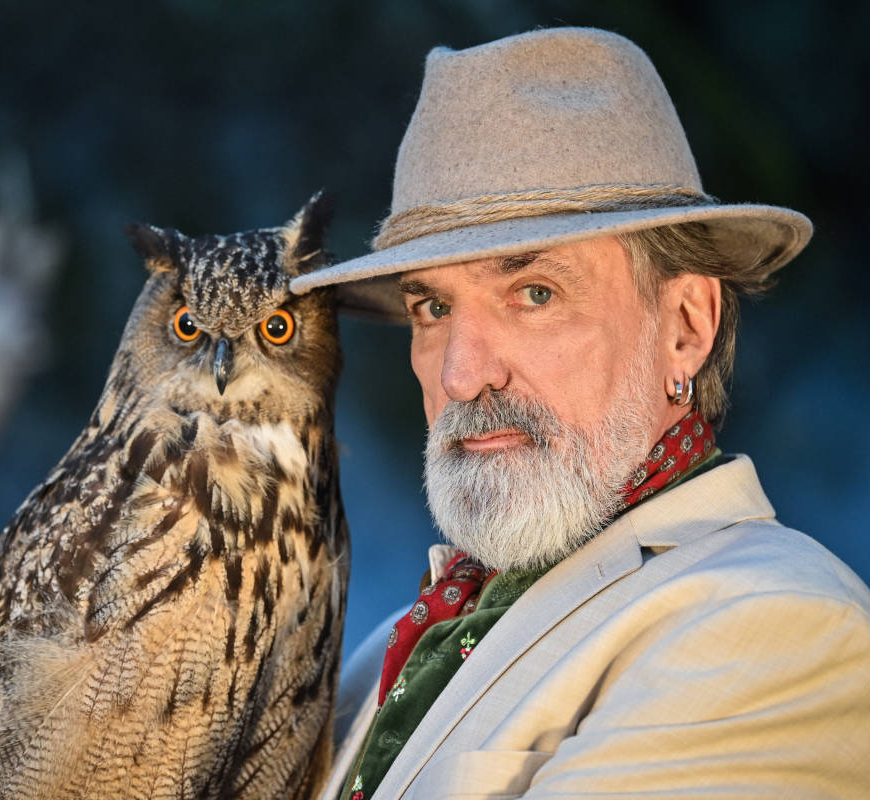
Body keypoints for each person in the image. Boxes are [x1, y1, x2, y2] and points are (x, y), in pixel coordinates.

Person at [289, 27, 870, 800]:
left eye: (535, 294)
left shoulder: (776, 626)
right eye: (431, 306)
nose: (462, 374)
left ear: (685, 327)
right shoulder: (388, 652)